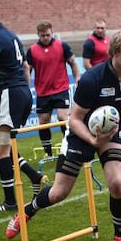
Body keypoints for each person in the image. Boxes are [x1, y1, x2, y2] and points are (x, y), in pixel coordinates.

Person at [6, 30, 121, 241]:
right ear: (115, 53)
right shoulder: (93, 79)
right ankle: (27, 210)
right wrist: (93, 140)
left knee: (117, 184)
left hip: (112, 131)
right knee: (58, 193)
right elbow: (73, 119)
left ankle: (119, 236)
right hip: (82, 132)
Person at [0, 3, 48, 212]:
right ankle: (35, 176)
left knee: (0, 149)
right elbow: (26, 67)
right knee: (3, 144)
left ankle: (10, 202)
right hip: (20, 93)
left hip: (10, 94)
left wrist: (13, 91)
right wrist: (21, 89)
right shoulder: (11, 35)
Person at [27, 21, 80, 157]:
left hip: (60, 89)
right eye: (43, 35)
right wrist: (25, 85)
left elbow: (73, 62)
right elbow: (28, 69)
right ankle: (48, 153)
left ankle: (68, 147)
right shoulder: (32, 50)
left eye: (48, 35)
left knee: (63, 117)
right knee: (44, 121)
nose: (46, 37)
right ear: (38, 34)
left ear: (52, 32)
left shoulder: (62, 46)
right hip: (43, 92)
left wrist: (78, 77)